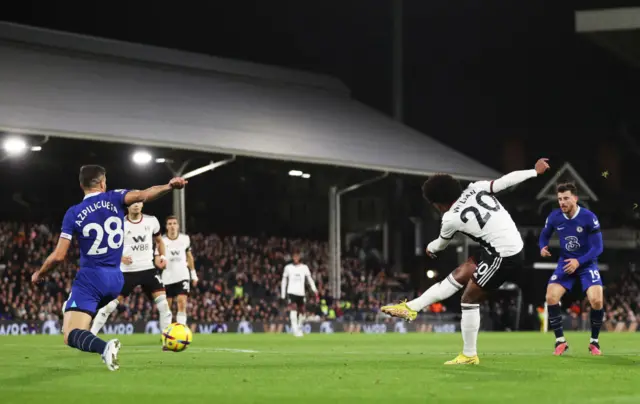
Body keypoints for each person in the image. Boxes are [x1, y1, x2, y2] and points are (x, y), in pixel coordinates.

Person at [385, 158, 550, 365]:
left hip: (504, 255)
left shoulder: (450, 218)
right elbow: (505, 181)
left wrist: (430, 248)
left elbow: (440, 245)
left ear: (438, 203)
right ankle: (412, 307)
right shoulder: (476, 188)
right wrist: (533, 172)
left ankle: (469, 355)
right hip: (501, 247)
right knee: (462, 272)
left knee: (469, 299)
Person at [31, 165, 186, 371]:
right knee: (82, 327)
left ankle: (104, 346)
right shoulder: (115, 198)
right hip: (116, 279)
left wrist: (39, 274)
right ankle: (73, 308)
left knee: (70, 335)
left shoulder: (73, 213)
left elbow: (59, 256)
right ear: (103, 182)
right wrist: (168, 186)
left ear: (81, 185)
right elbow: (144, 194)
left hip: (91, 278)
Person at [539, 182, 604, 356]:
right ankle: (560, 341)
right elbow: (544, 234)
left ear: (575, 199)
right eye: (560, 199)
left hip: (586, 263)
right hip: (566, 262)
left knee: (596, 300)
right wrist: (542, 247)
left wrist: (579, 261)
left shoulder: (589, 217)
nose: (562, 202)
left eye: (566, 198)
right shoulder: (554, 217)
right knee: (551, 296)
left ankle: (594, 342)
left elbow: (598, 248)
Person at [90, 202, 173, 337]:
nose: (136, 205)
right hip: (126, 272)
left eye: (139, 202)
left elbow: (159, 241)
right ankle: (91, 336)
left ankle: (167, 339)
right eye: (132, 202)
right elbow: (107, 248)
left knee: (164, 306)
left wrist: (162, 256)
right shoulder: (118, 224)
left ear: (142, 205)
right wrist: (120, 258)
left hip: (148, 269)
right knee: (108, 306)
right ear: (126, 206)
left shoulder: (151, 221)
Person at [162, 215, 198, 327]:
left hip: (182, 275)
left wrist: (194, 274)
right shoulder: (162, 241)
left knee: (182, 303)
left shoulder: (185, 239)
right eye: (170, 224)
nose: (172, 226)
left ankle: (181, 331)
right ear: (166, 227)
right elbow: (157, 259)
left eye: (174, 223)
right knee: (166, 309)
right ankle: (165, 333)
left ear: (178, 226)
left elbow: (189, 256)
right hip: (167, 277)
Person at [281, 250, 318, 337]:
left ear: (299, 257)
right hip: (291, 292)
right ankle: (295, 329)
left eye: (297, 256)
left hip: (301, 293)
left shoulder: (304, 267)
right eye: (294, 256)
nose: (296, 258)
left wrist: (315, 290)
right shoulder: (288, 268)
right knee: (293, 311)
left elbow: (309, 279)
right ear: (292, 257)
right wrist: (283, 294)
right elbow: (284, 281)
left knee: (302, 313)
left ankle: (299, 327)